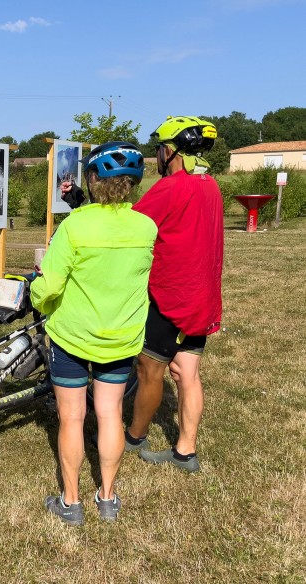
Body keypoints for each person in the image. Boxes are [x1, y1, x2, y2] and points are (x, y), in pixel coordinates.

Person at [30, 142, 157, 525]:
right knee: (110, 414)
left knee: (71, 418)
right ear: (132, 184)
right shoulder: (146, 226)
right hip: (121, 337)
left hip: (72, 336)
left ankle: (71, 503)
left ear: (93, 180)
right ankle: (107, 496)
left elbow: (49, 287)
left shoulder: (76, 226)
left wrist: (37, 295)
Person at [125, 116, 224, 473]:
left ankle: (134, 437)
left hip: (171, 298)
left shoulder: (170, 187)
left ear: (170, 152)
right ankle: (186, 451)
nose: (156, 157)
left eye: (158, 150)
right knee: (187, 372)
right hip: (202, 297)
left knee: (150, 369)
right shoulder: (210, 185)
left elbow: (132, 228)